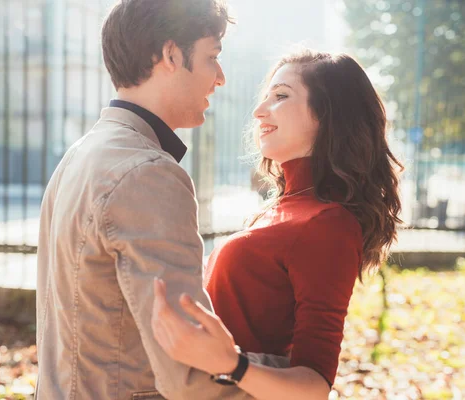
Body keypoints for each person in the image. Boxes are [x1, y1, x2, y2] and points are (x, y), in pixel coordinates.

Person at [35, 1, 289, 399]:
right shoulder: (147, 172)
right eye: (212, 57)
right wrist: (292, 375)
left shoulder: (81, 154)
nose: (220, 78)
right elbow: (188, 376)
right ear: (171, 55)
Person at [151, 48, 403, 399]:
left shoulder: (328, 225)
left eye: (281, 96)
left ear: (328, 116)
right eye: (265, 96)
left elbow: (314, 386)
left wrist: (231, 365)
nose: (258, 111)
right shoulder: (281, 209)